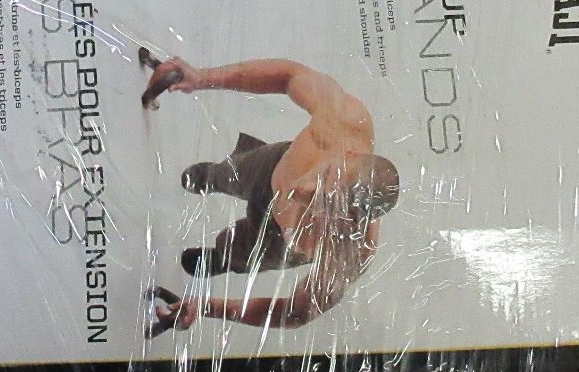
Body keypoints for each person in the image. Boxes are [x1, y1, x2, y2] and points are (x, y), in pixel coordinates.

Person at [140, 56, 401, 334]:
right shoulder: (342, 120)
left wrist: (208, 307)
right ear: (348, 155)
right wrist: (200, 77)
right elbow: (289, 75)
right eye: (324, 178)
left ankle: (221, 258)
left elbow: (297, 312)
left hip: (277, 238)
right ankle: (213, 176)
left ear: (351, 221)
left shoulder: (349, 251)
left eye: (324, 204)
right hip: (270, 170)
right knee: (228, 173)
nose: (303, 190)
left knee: (239, 253)